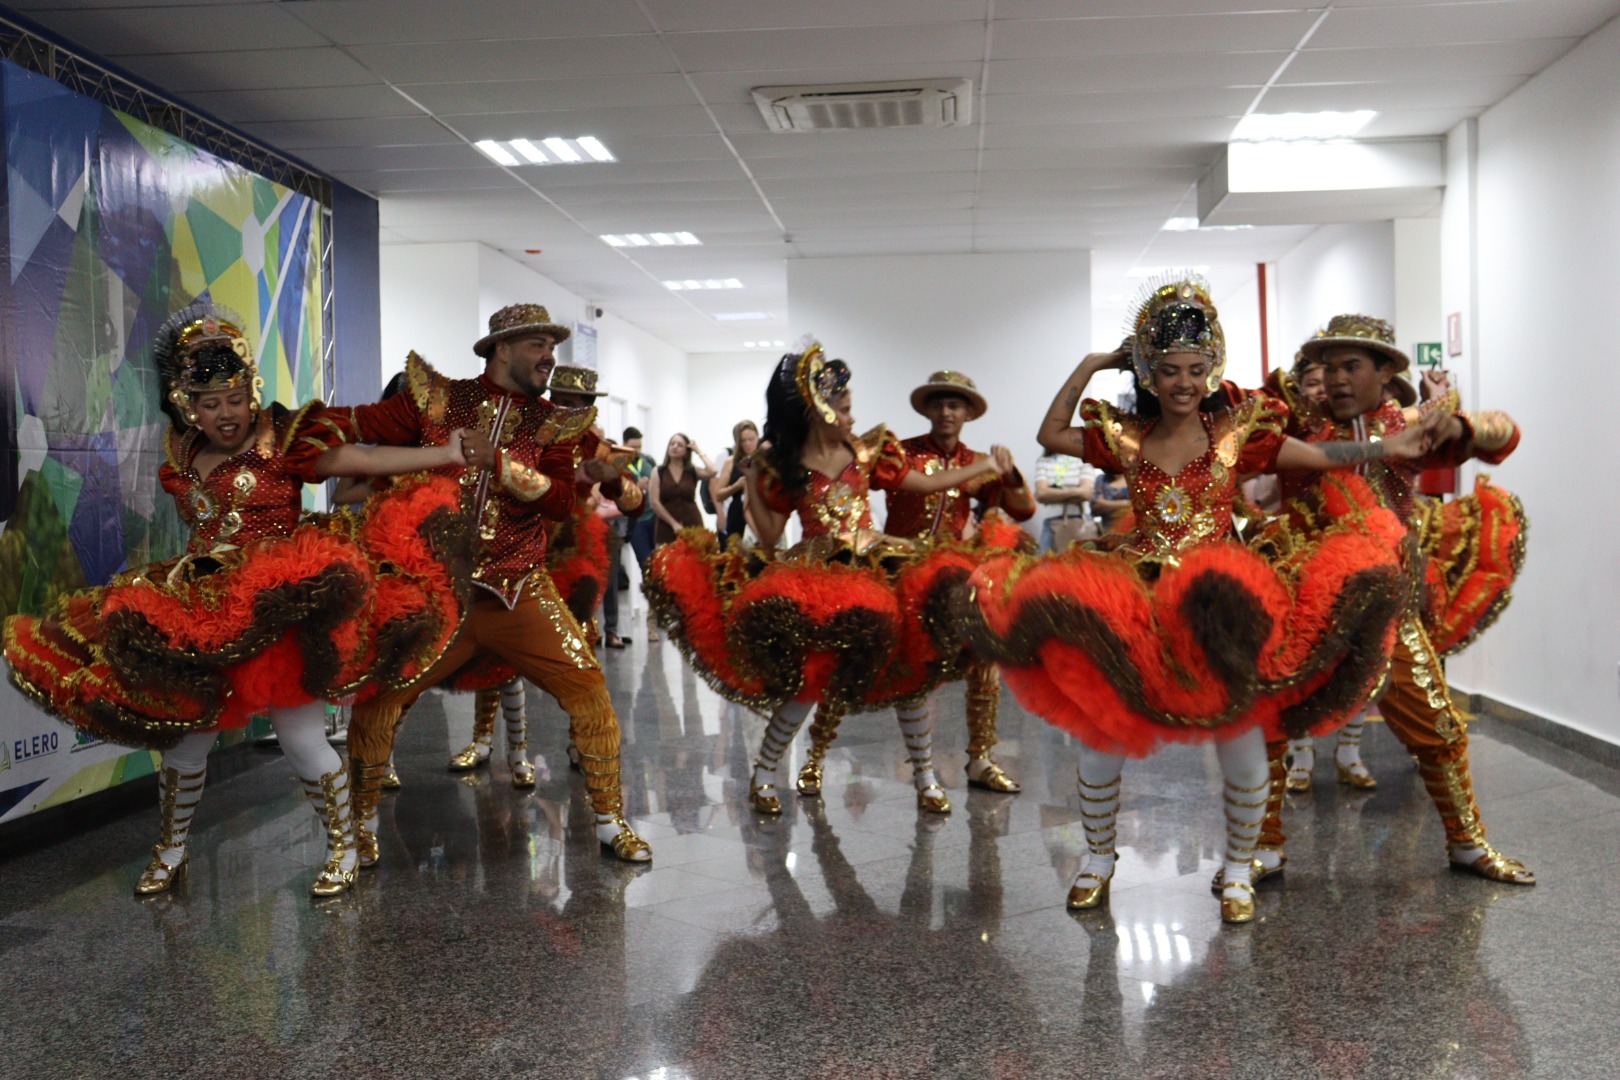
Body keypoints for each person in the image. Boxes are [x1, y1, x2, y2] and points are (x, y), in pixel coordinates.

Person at [963, 277, 1434, 922]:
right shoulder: (1125, 436)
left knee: (1239, 739)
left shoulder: (1237, 435)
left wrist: (1386, 447)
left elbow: (1322, 455)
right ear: (1149, 374)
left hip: (1220, 605)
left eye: (1195, 369)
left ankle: (1238, 867)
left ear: (1212, 371)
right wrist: (1093, 364)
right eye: (1168, 370)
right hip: (1136, 602)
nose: (1183, 382)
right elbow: (1050, 433)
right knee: (1102, 738)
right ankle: (1099, 861)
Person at [3, 303, 472, 897]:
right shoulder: (180, 453)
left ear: (251, 391)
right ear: (185, 404)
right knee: (184, 736)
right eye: (208, 402)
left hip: (281, 605)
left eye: (232, 398)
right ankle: (171, 851)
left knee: (301, 737)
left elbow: (363, 459)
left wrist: (445, 455)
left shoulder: (286, 441)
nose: (224, 414)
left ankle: (344, 848)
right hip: (200, 607)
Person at [329, 304, 652, 865]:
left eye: (551, 347)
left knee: (590, 692)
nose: (549, 357)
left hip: (520, 589)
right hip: (439, 594)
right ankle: (358, 829)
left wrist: (501, 464)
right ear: (502, 348)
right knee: (378, 704)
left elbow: (556, 500)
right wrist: (280, 425)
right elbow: (363, 423)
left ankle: (608, 820)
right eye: (537, 346)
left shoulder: (554, 422)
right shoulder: (440, 399)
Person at [644, 342, 1013, 817]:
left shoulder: (867, 449)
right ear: (820, 412)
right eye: (844, 409)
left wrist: (983, 466)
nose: (853, 418)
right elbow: (773, 535)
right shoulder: (787, 467)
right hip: (818, 579)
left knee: (911, 673)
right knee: (808, 683)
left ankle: (924, 777)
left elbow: (920, 483)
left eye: (852, 408)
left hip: (878, 568)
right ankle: (764, 774)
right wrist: (753, 478)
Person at [1261, 313, 1534, 886]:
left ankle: (1467, 844)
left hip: (1385, 605)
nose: (1334, 378)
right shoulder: (1296, 426)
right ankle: (1262, 849)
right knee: (1266, 725)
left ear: (1385, 373)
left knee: (1437, 724)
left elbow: (1505, 434)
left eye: (1351, 366)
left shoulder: (1409, 426)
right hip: (1303, 604)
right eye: (1326, 366)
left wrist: (1457, 427)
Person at [795, 371, 1036, 800]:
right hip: (898, 572)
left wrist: (1011, 471)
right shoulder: (899, 453)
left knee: (985, 656)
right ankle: (815, 757)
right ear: (927, 409)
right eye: (939, 404)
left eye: (955, 405)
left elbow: (1022, 507)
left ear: (967, 413)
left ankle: (980, 757)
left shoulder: (976, 460)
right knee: (850, 658)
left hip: (953, 580)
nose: (946, 412)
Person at [452, 365, 646, 783]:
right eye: (559, 399)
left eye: (580, 404)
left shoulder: (593, 441)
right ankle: (484, 740)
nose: (568, 409)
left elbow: (634, 504)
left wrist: (612, 478)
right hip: (508, 545)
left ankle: (581, 739)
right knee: (494, 644)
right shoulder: (518, 423)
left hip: (565, 550)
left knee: (581, 647)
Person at [621, 425, 657, 641]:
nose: (637, 451)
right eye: (633, 447)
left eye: (639, 447)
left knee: (659, 567)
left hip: (654, 519)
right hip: (635, 522)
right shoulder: (620, 463)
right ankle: (651, 620)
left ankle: (657, 615)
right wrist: (639, 488)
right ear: (625, 444)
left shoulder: (649, 461)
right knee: (647, 567)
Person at [650, 432, 715, 546]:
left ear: (686, 450)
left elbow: (713, 471)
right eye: (672, 444)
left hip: (692, 522)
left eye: (680, 445)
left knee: (696, 560)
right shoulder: (659, 471)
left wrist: (698, 450)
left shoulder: (692, 470)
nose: (675, 447)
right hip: (666, 526)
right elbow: (654, 503)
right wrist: (673, 523)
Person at [1033, 451, 1097, 553]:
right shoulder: (1043, 461)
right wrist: (1076, 491)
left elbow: (1086, 493)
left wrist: (1052, 492)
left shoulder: (1084, 459)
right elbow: (1041, 494)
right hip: (1051, 523)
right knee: (1046, 566)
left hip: (1081, 521)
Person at [710, 420, 761, 548]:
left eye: (751, 439)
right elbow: (718, 494)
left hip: (761, 511)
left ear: (758, 438)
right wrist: (736, 486)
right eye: (743, 441)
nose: (748, 444)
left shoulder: (765, 460)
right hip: (737, 514)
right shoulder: (731, 462)